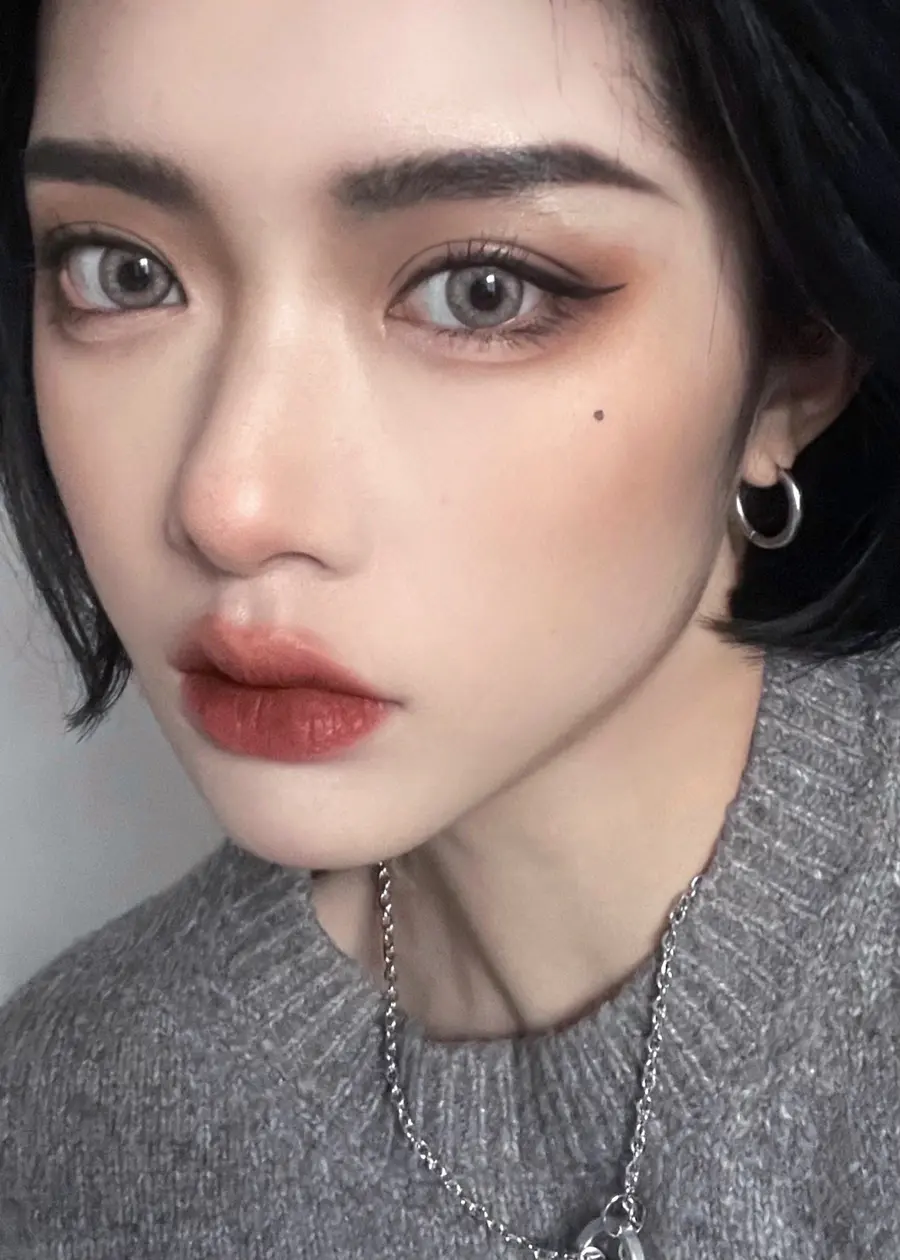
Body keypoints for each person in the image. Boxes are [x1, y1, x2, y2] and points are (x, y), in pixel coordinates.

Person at [1, 0, 899, 1255]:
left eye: (481, 292)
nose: (229, 507)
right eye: (121, 270)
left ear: (801, 360)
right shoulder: (69, 1134)